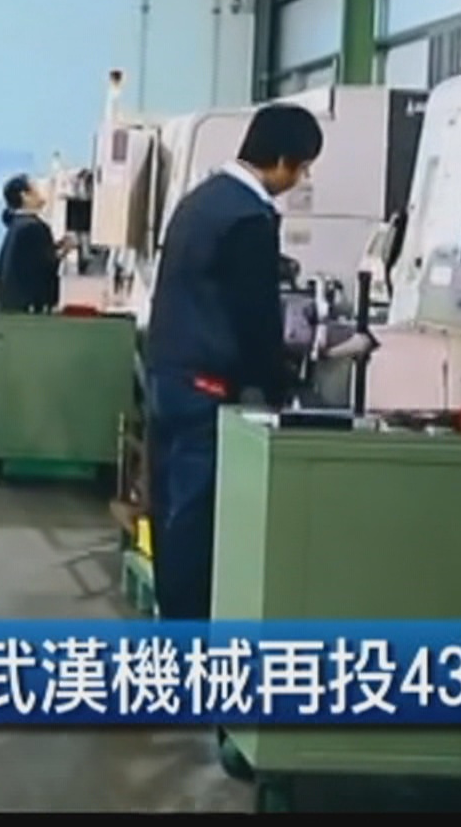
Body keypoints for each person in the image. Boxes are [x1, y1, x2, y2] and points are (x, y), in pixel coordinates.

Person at [145, 103, 325, 626]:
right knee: (198, 518)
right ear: (284, 160)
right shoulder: (249, 217)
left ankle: (172, 621)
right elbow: (255, 314)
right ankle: (191, 636)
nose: (300, 179)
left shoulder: (201, 199)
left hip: (168, 376)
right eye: (302, 168)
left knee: (172, 509)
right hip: (205, 386)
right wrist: (277, 385)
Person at [0, 173, 74, 313]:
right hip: (29, 310)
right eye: (36, 188)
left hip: (12, 308)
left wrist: (58, 246)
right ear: (25, 196)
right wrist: (65, 250)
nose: (41, 191)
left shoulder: (17, 225)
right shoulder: (33, 227)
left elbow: (32, 259)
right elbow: (46, 267)